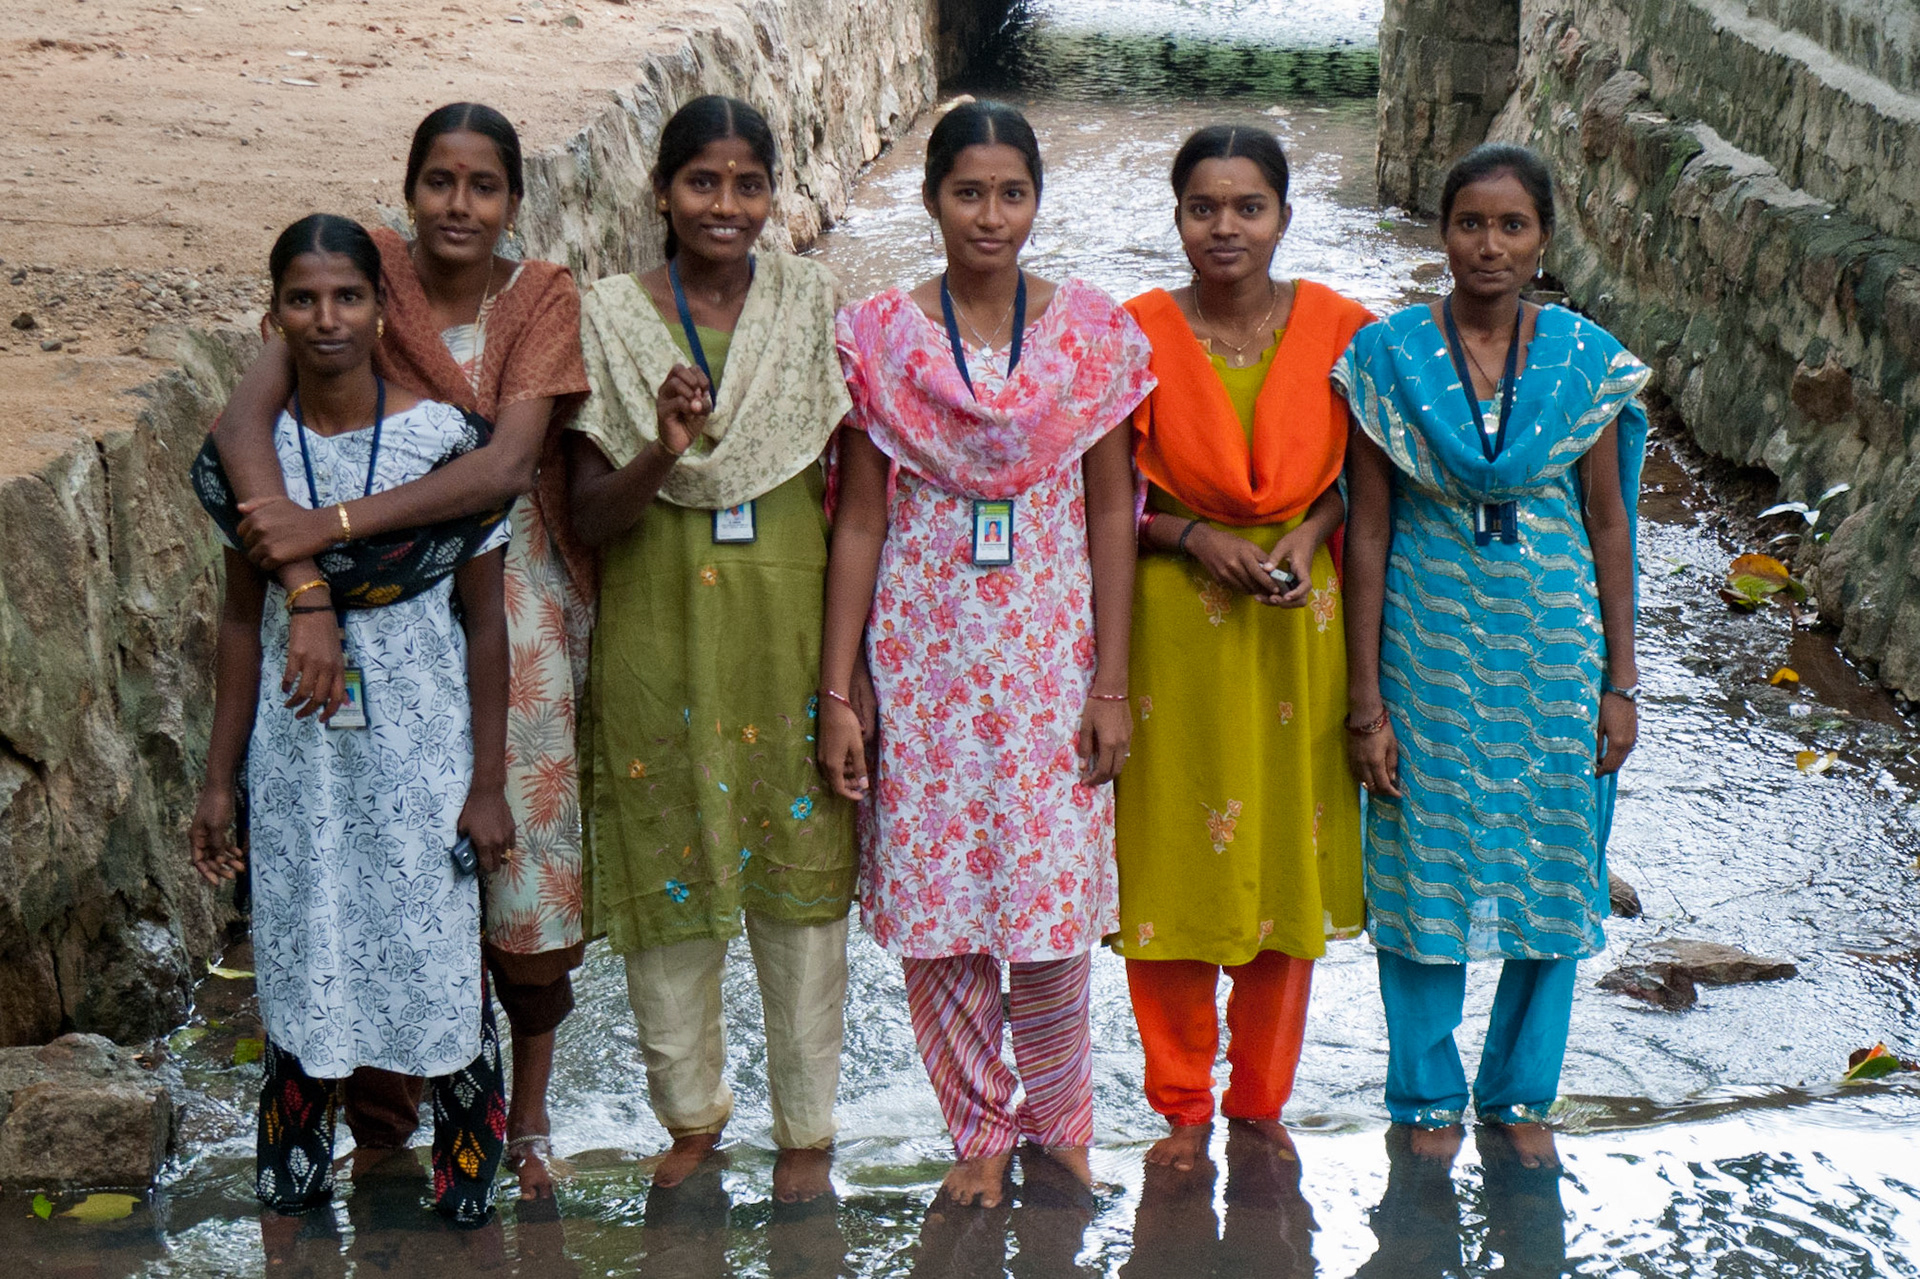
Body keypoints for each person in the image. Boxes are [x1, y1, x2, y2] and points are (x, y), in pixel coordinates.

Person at [207, 103, 591, 1198]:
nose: (457, 204)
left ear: (513, 198)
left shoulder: (540, 299)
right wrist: (307, 587)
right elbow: (242, 440)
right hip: (327, 644)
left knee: (505, 892)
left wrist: (321, 536)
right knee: (336, 892)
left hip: (500, 623)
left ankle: (522, 1121)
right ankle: (377, 1131)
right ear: (408, 190)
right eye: (437, 181)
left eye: (481, 185)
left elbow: (501, 472)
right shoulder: (359, 271)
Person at [819, 99, 1154, 1208]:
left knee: (1052, 906)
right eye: (969, 192)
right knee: (940, 901)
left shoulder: (1093, 337)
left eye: (1012, 193)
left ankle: (1060, 1124)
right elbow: (859, 518)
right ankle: (977, 1128)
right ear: (930, 201)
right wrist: (840, 688)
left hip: (1053, 656)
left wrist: (1111, 681)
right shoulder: (879, 339)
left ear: (1037, 202)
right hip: (924, 659)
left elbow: (1114, 511)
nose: (991, 215)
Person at [188, 214, 511, 1226]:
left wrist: (490, 782)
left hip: (422, 741)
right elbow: (243, 624)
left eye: (347, 297)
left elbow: (486, 627)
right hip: (298, 750)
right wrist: (216, 778)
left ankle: (466, 1177)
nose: (325, 319)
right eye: (301, 298)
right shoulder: (259, 464)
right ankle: (294, 1170)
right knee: (304, 935)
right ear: (272, 312)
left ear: (383, 309)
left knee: (435, 944)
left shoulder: (441, 441)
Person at [565, 94, 857, 1205]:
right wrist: (661, 447)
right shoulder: (611, 317)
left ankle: (805, 1132)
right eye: (702, 183)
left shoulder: (808, 302)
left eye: (746, 184)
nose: (725, 205)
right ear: (662, 192)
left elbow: (853, 499)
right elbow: (590, 516)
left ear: (772, 195)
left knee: (801, 890)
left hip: (788, 643)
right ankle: (689, 1120)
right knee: (670, 874)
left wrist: (849, 677)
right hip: (659, 642)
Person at [1335, 143, 1649, 1168]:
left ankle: (1521, 1097)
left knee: (1555, 864)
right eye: (1471, 222)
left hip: (1555, 658)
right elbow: (1366, 532)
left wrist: (1622, 682)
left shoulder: (1580, 360)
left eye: (1513, 225)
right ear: (1442, 232)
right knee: (1421, 861)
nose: (1490, 244)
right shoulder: (1388, 362)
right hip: (1426, 654)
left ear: (1543, 240)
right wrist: (1366, 701)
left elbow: (1609, 524)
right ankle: (1425, 1097)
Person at [1113, 124, 1372, 1172]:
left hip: (1297, 626)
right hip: (1173, 623)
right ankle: (1180, 1104)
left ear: (1284, 216)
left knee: (1282, 848)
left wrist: (1309, 535)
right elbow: (1095, 500)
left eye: (1247, 206)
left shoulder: (1345, 333)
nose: (1226, 227)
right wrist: (1191, 534)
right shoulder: (1126, 338)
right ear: (1177, 218)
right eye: (1203, 208)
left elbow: (1371, 481)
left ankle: (1260, 1101)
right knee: (1173, 851)